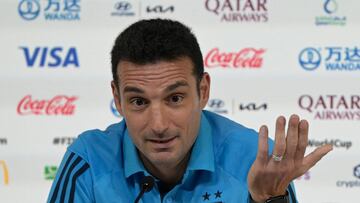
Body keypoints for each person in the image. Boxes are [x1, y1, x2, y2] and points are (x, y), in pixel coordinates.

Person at [47, 18, 332, 203]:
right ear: (117, 99)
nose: (158, 125)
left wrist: (269, 200)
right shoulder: (88, 159)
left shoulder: (257, 161)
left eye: (175, 98)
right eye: (139, 102)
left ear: (203, 91)